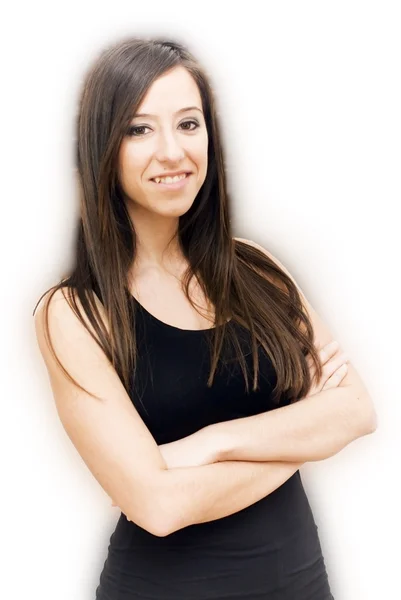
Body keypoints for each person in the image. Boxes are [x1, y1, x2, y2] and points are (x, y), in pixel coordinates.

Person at [33, 36, 377, 600]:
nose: (173, 151)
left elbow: (356, 411)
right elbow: (158, 506)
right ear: (103, 147)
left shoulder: (260, 272)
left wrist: (212, 444)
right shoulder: (74, 313)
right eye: (139, 129)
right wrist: (304, 434)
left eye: (188, 124)